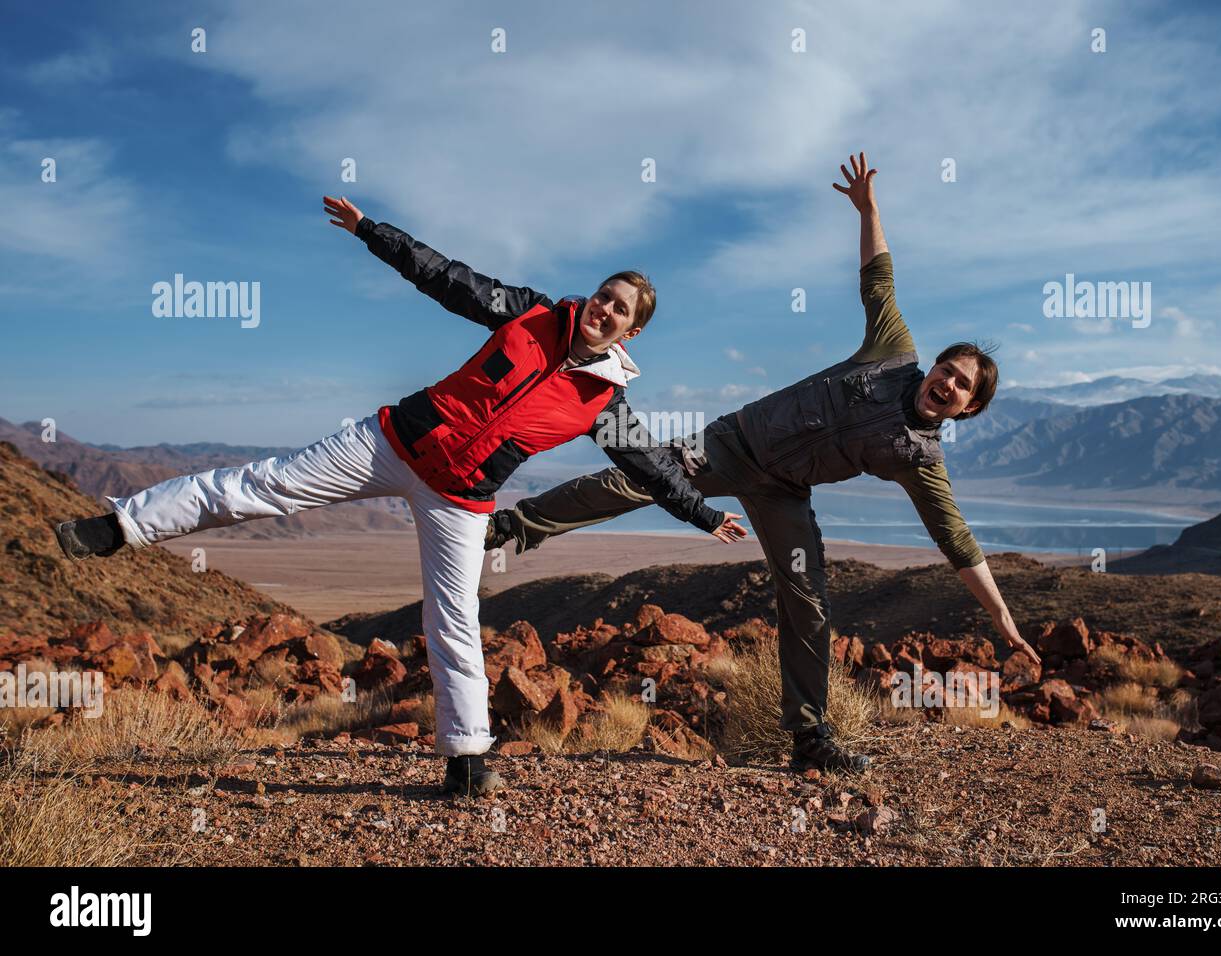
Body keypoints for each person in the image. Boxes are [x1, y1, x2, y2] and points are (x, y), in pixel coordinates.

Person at [53, 194, 747, 796]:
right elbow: (446, 277)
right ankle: (120, 527)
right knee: (264, 484)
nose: (605, 309)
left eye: (620, 309)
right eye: (604, 295)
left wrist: (704, 513)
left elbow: (653, 466)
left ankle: (468, 759)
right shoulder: (530, 312)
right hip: (392, 442)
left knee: (454, 621)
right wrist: (370, 232)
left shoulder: (604, 401)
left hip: (462, 500)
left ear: (634, 331)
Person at [483, 152, 1043, 773]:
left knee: (807, 599)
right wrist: (870, 210)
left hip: (784, 492)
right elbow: (878, 278)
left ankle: (809, 739)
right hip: (732, 443)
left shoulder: (920, 458)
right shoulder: (892, 351)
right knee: (633, 479)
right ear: (935, 364)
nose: (948, 383)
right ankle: (512, 527)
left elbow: (954, 538)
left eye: (963, 387)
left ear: (967, 409)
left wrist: (1001, 615)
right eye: (949, 369)